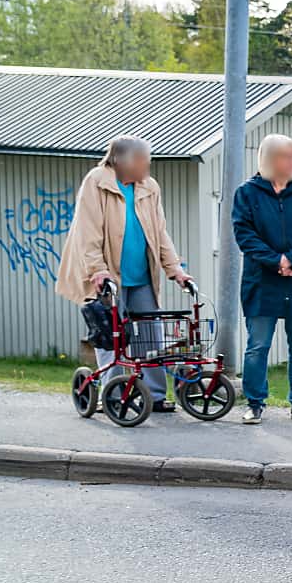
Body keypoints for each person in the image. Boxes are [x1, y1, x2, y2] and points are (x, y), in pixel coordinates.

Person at [55, 136, 193, 412]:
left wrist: (174, 268)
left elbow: (160, 232)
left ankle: (153, 396)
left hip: (141, 275)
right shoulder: (97, 181)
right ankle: (115, 395)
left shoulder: (149, 187)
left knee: (151, 335)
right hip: (108, 277)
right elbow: (87, 230)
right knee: (112, 337)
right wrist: (97, 269)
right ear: (122, 161)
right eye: (144, 162)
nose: (148, 167)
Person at [231, 134, 292, 425]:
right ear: (270, 159)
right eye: (286, 156)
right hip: (262, 281)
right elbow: (244, 234)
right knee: (258, 345)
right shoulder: (247, 194)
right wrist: (276, 261)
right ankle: (255, 403)